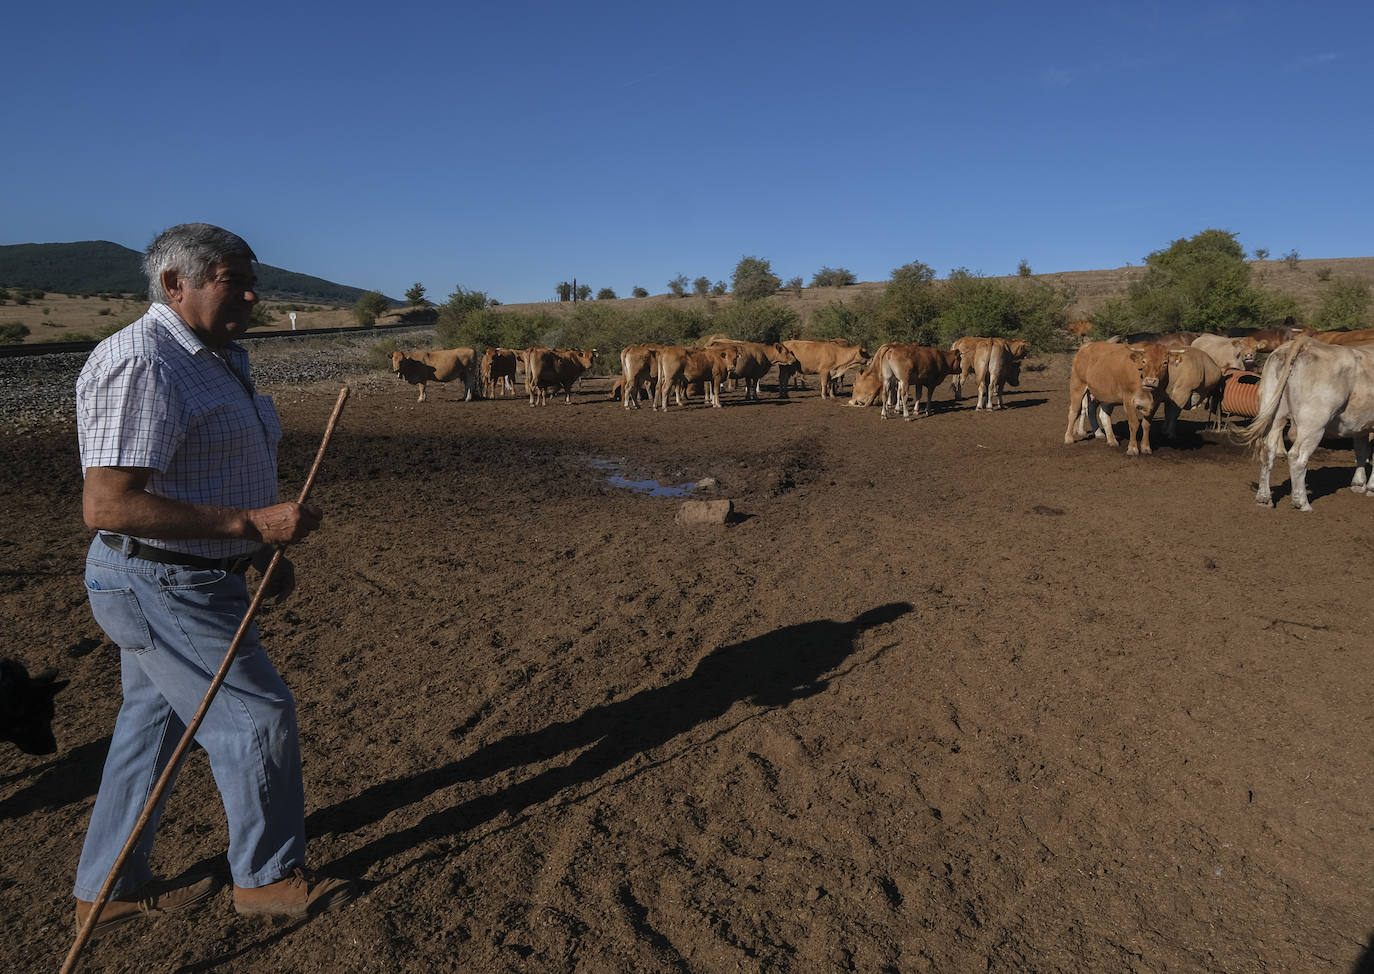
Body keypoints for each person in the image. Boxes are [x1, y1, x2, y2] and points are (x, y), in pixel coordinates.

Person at [72, 223, 354, 934]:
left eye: (253, 280)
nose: (254, 294)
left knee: (153, 729)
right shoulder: (144, 361)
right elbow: (109, 503)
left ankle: (107, 890)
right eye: (235, 279)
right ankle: (263, 881)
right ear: (176, 282)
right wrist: (251, 528)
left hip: (186, 574)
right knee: (258, 716)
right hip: (162, 581)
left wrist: (254, 554)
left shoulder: (217, 357)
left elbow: (212, 467)